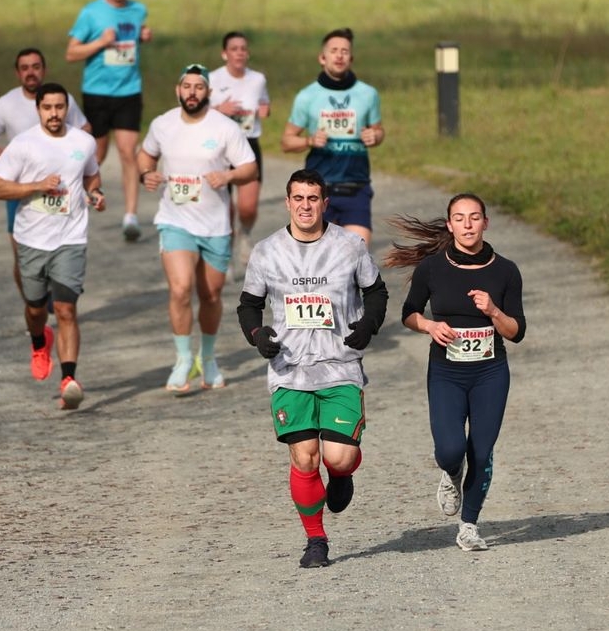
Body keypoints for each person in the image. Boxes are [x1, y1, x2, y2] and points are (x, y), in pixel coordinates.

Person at [237, 169, 389, 568]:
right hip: (289, 369)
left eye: (313, 198)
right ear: (287, 203)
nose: (305, 206)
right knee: (304, 458)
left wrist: (368, 325)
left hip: (340, 366)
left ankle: (341, 476)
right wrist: (257, 334)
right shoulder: (267, 251)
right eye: (298, 198)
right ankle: (315, 541)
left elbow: (376, 292)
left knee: (338, 458)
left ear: (325, 203)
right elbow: (249, 305)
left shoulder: (349, 245)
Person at [385, 193, 526, 552]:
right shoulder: (432, 268)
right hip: (446, 372)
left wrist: (493, 311)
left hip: (490, 373)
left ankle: (469, 525)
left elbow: (516, 332)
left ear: (485, 223)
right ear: (449, 225)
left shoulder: (505, 270)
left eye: (474, 217)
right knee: (450, 450)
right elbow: (409, 313)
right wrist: (430, 327)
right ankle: (451, 473)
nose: (467, 225)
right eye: (460, 218)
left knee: (481, 450)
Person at [138, 64, 258, 392]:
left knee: (210, 294)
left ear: (208, 92)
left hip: (214, 225)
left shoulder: (224, 127)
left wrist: (229, 175)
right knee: (180, 289)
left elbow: (249, 168)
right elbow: (145, 155)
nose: (192, 92)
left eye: (199, 87)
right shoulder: (163, 124)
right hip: (175, 220)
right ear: (178, 90)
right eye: (187, 86)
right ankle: (182, 360)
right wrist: (146, 173)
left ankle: (207, 358)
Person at [0, 82, 105, 410]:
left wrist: (95, 193)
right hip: (31, 239)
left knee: (66, 309)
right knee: (35, 309)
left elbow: (91, 176)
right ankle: (40, 341)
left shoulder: (83, 142)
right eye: (47, 108)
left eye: (59, 107)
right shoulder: (23, 144)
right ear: (38, 109)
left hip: (71, 238)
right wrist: (36, 186)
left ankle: (69, 380)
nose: (54, 114)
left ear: (67, 108)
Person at [0, 48, 91, 299]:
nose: (31, 72)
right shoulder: (6, 104)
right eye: (25, 68)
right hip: (20, 188)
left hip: (61, 187)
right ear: (17, 73)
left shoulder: (63, 100)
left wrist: (73, 152)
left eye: (36, 67)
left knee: (63, 246)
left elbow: (85, 128)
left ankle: (59, 293)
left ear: (44, 69)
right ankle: (35, 303)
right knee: (22, 254)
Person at [66, 0, 152, 241]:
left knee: (128, 152)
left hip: (129, 91)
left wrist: (143, 37)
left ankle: (130, 217)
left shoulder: (138, 10)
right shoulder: (91, 13)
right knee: (97, 154)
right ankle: (77, 204)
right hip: (97, 93)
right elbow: (71, 53)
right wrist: (100, 43)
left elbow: (132, 38)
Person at [281, 28, 384, 245]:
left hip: (355, 185)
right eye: (334, 51)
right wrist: (309, 141)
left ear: (351, 58)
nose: (339, 56)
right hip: (317, 188)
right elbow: (287, 141)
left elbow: (379, 131)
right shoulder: (307, 96)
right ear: (322, 57)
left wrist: (374, 136)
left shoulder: (368, 94)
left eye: (344, 51)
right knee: (317, 254)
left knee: (358, 251)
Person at [209, 31, 270, 273]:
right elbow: (198, 111)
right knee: (226, 209)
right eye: (234, 49)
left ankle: (245, 234)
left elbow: (264, 103)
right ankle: (226, 252)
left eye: (243, 49)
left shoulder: (258, 79)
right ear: (225, 54)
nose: (239, 53)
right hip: (221, 148)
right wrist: (219, 109)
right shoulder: (212, 79)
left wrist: (265, 109)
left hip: (248, 145)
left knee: (248, 207)